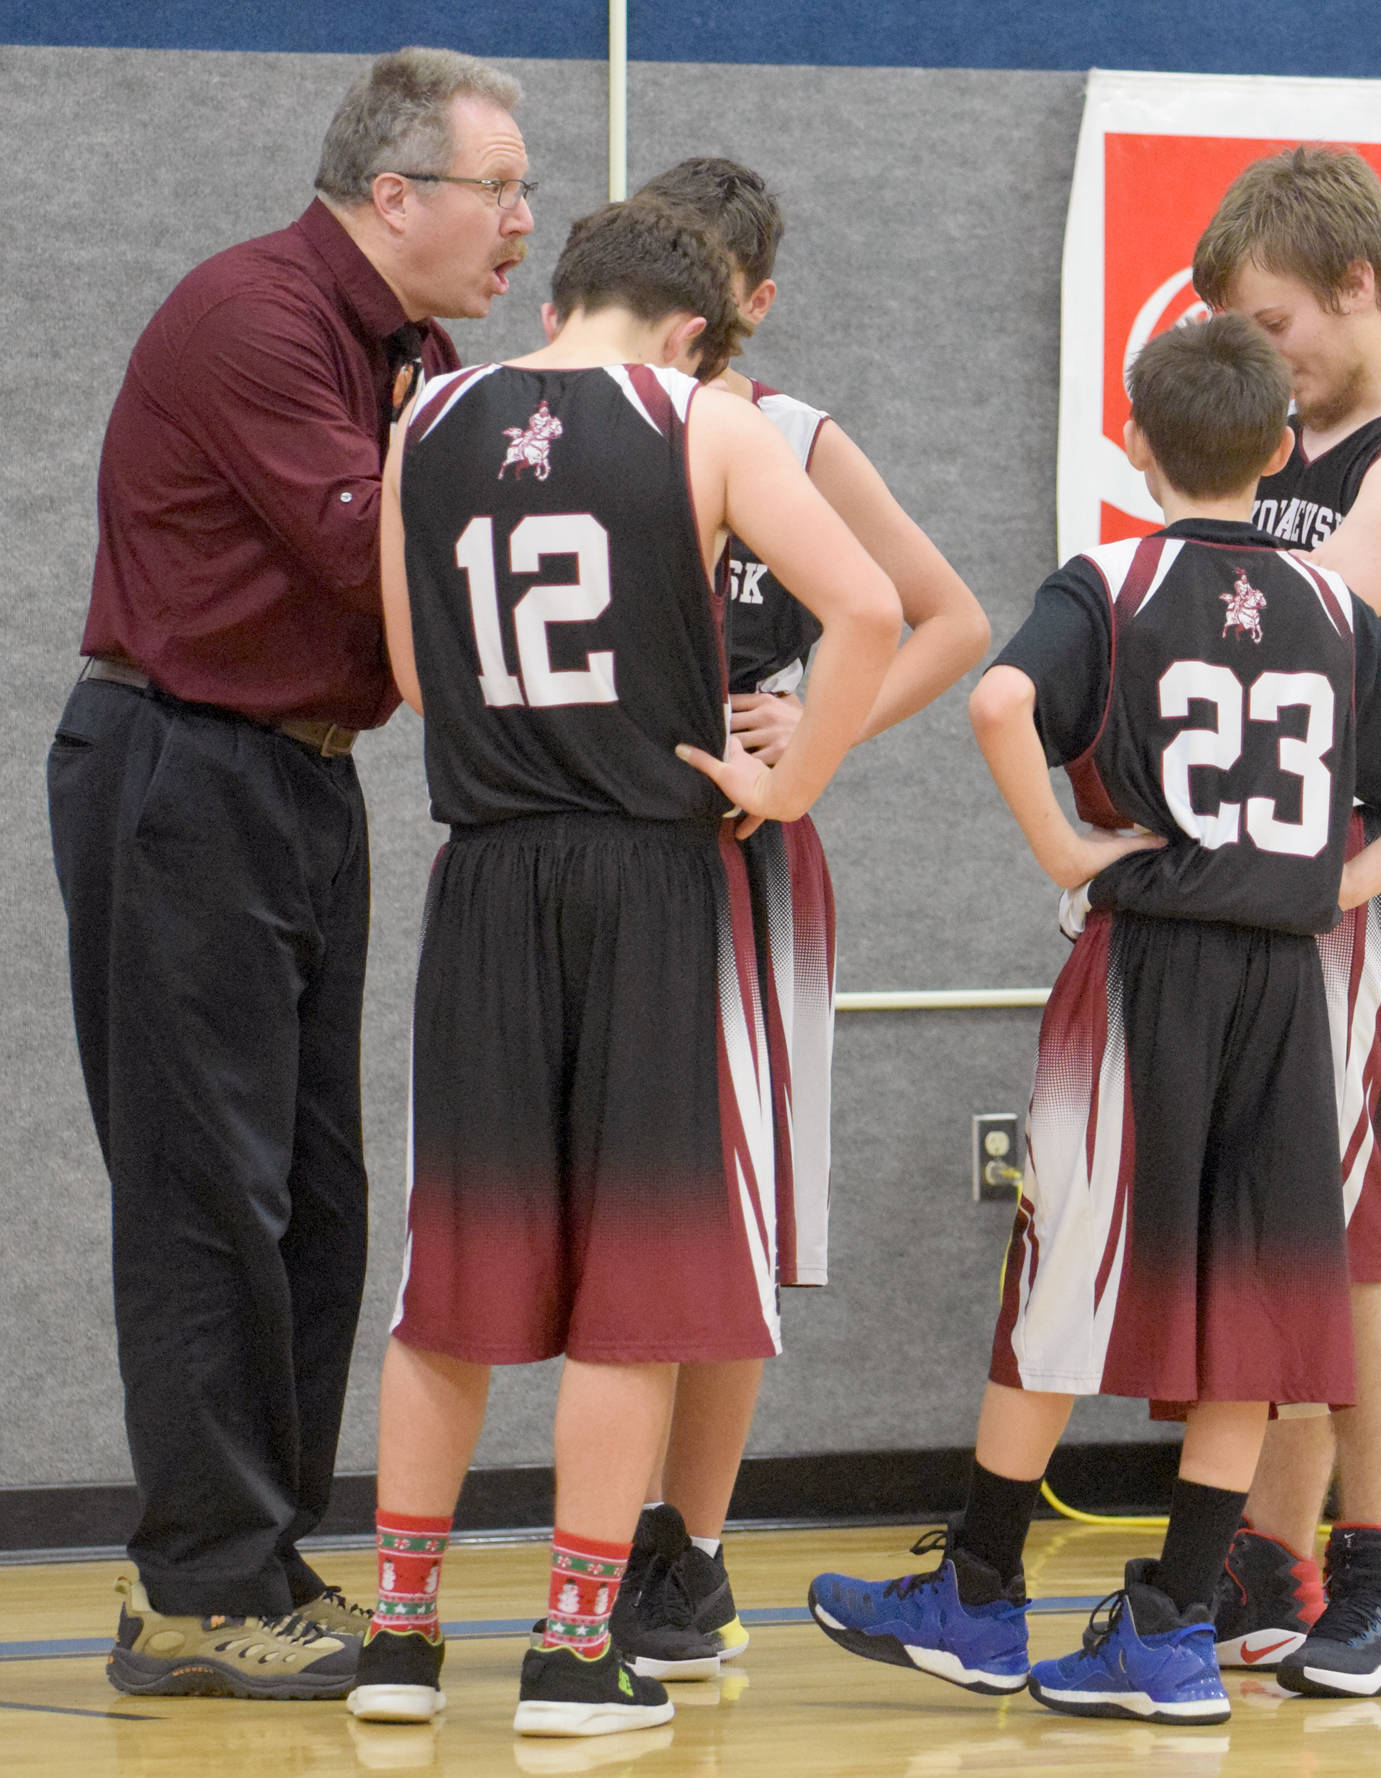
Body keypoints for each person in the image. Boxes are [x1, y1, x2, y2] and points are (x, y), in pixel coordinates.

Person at [805, 314, 1381, 1725]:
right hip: (1285, 985)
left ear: (1134, 444)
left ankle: (981, 1583)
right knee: (1251, 1300)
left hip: (1143, 971)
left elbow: (1001, 697)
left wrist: (1071, 853)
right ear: (1276, 453)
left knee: (1057, 1276)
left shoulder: (1112, 577)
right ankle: (1177, 1624)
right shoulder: (1327, 601)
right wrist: (1347, 875)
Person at [343, 198, 901, 1737]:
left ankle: (398, 1636)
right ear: (684, 329)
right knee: (638, 1289)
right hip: (656, 876)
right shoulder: (706, 421)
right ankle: (578, 1648)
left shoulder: (430, 417)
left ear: (558, 306)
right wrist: (788, 785)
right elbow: (867, 606)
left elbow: (407, 670)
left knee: (448, 1281)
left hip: (489, 872)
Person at [45, 47, 535, 1701]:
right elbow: (375, 551)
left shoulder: (418, 357)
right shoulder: (254, 316)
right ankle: (190, 1586)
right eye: (502, 189)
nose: (522, 224)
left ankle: (253, 1551)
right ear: (393, 193)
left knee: (313, 1203)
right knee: (205, 1196)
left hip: (307, 784)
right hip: (184, 769)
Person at [594, 156, 990, 1682]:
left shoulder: (797, 436)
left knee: (734, 1224)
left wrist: (818, 730)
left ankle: (683, 1551)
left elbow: (946, 616)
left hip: (747, 865)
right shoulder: (597, 428)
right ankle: (616, 1529)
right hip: (608, 855)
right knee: (617, 1216)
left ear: (750, 301)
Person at [1190, 144, 1381, 1695]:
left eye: (1272, 322)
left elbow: (1281, 657)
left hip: (1346, 875)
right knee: (1272, 1237)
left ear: (1359, 282)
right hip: (1256, 879)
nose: (1260, 358)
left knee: (1364, 1243)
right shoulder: (1296, 440)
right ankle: (1267, 1556)